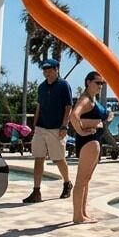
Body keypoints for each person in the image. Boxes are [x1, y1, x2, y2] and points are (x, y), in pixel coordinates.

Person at [23, 58, 73, 203]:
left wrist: (65, 125)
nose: (47, 73)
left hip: (56, 128)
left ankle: (67, 182)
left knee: (58, 158)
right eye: (45, 70)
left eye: (49, 70)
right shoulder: (41, 87)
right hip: (41, 127)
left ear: (56, 69)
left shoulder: (64, 85)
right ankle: (36, 191)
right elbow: (39, 106)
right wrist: (35, 125)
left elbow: (68, 107)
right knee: (38, 158)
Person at [69, 71, 110, 224]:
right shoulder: (85, 99)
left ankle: (82, 213)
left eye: (102, 83)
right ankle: (77, 216)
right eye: (97, 83)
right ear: (88, 82)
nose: (101, 86)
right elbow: (74, 115)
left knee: (86, 180)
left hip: (92, 141)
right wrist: (81, 130)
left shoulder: (91, 99)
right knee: (81, 181)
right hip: (89, 142)